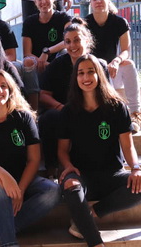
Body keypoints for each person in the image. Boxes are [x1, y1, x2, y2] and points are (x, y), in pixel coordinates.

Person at [58, 54, 141, 247]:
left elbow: (128, 145)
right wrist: (68, 166)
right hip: (82, 176)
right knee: (70, 185)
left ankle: (89, 214)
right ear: (75, 78)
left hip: (112, 175)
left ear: (99, 75)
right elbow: (62, 150)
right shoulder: (68, 111)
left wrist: (136, 168)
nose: (86, 77)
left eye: (91, 72)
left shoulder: (117, 107)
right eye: (81, 73)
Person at [0, 69, 60, 247]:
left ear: (11, 90)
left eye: (4, 86)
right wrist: (5, 177)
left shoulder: (23, 117)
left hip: (20, 179)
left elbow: (34, 159)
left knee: (53, 191)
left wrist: (21, 189)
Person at [38, 17, 108, 177]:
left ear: (87, 41)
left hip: (93, 110)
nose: (72, 46)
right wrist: (61, 108)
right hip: (64, 112)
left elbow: (106, 95)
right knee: (48, 118)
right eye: (68, 42)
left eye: (77, 40)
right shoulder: (57, 65)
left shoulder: (99, 65)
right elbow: (43, 95)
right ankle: (52, 169)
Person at [86, 0, 141, 133]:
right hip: (92, 73)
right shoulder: (84, 23)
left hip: (112, 72)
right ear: (90, 2)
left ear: (108, 0)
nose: (98, 1)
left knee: (128, 64)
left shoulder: (119, 22)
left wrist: (116, 61)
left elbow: (126, 50)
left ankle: (135, 114)